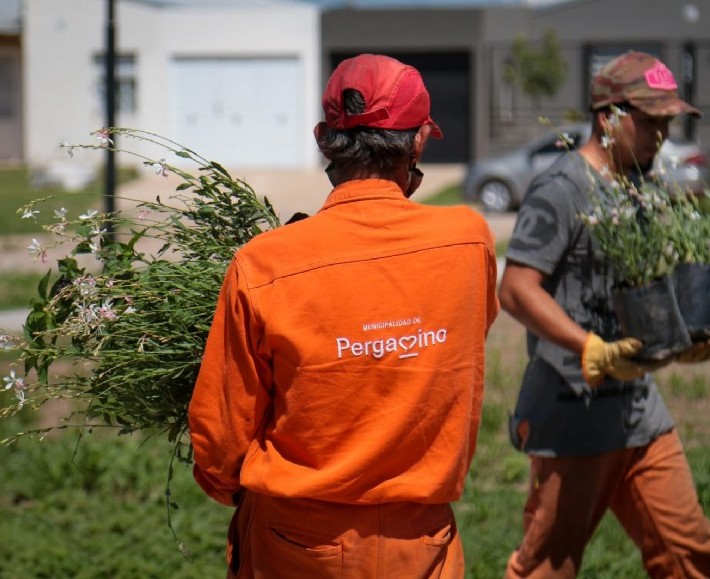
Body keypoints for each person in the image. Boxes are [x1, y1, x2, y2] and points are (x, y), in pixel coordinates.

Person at [188, 53, 499, 578]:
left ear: (321, 137)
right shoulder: (471, 241)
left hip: (295, 544)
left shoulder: (264, 262)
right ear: (419, 140)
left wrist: (226, 484)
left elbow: (222, 440)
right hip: (422, 544)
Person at [498, 51, 710, 578]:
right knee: (547, 568)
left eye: (667, 122)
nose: (661, 134)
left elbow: (645, 287)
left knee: (693, 560)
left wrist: (686, 334)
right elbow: (515, 289)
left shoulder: (641, 191)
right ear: (609, 117)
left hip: (640, 416)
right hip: (571, 416)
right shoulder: (560, 190)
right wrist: (590, 348)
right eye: (650, 121)